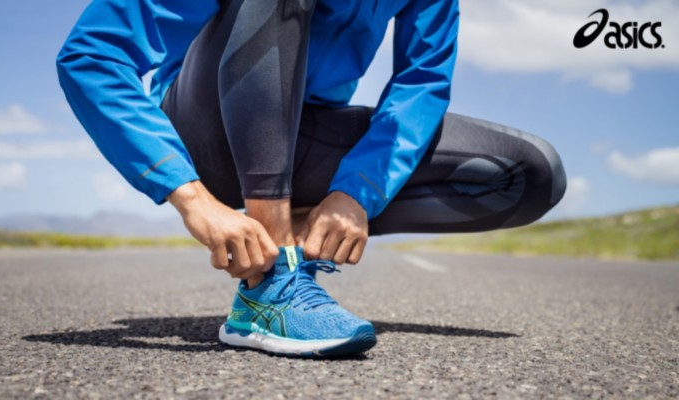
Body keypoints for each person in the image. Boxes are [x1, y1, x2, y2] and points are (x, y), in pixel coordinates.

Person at [58, 0, 566, 357]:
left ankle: (297, 223)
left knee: (525, 173)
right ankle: (271, 283)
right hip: (203, 131)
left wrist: (354, 193)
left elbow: (422, 81)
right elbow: (92, 56)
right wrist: (192, 199)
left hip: (303, 135)